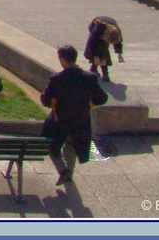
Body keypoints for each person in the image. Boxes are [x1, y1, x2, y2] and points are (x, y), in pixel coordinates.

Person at [40, 44, 108, 184]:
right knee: (71, 145)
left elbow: (45, 100)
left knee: (51, 146)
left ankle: (63, 170)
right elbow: (102, 98)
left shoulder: (57, 79)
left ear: (63, 60)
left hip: (59, 121)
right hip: (80, 120)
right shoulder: (90, 78)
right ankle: (69, 174)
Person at [84, 17, 125, 82]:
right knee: (100, 50)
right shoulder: (98, 29)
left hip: (107, 29)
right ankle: (104, 73)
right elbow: (91, 43)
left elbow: (118, 42)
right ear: (105, 36)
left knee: (103, 51)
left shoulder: (117, 32)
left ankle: (94, 69)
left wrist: (119, 54)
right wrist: (94, 56)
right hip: (94, 25)